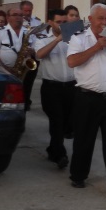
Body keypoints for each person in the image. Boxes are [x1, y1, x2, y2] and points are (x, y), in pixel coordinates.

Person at [66, 3, 106, 195]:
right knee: (84, 139)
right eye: (100, 18)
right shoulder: (78, 38)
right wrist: (96, 46)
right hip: (87, 97)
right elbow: (72, 62)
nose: (103, 22)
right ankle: (78, 176)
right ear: (91, 19)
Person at [33, 9, 75, 168]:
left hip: (71, 86)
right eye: (59, 22)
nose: (63, 25)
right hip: (52, 87)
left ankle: (53, 148)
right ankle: (60, 155)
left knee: (67, 123)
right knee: (56, 121)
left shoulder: (74, 37)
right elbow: (39, 55)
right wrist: (57, 39)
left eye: (65, 22)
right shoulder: (42, 37)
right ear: (50, 22)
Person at [0, 7, 27, 72]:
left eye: (20, 15)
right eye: (15, 15)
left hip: (24, 70)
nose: (18, 17)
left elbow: (36, 52)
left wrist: (31, 51)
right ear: (8, 18)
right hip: (4, 70)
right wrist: (3, 67)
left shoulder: (27, 32)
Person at [19, 0, 42, 110]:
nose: (28, 13)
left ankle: (27, 100)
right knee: (20, 80)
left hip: (33, 54)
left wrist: (33, 50)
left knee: (30, 80)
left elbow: (42, 36)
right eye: (25, 10)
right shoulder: (18, 21)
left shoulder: (37, 22)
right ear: (21, 10)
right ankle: (20, 100)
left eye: (30, 10)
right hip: (21, 55)